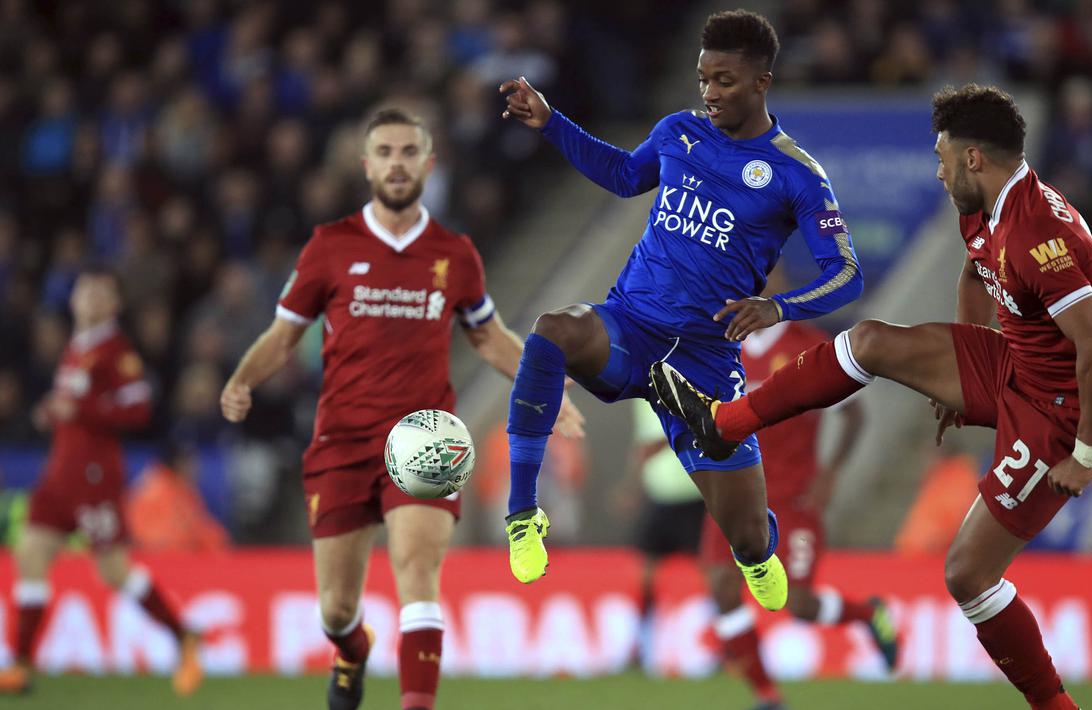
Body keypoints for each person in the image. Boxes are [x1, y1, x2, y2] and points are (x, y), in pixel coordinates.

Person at [653, 84, 1092, 710]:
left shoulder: (1038, 231)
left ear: (972, 159)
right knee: (872, 340)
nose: (935, 172)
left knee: (966, 574)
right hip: (1016, 366)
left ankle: (1056, 707)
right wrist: (966, 369)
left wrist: (1087, 452)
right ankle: (728, 422)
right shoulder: (982, 208)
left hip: (1065, 410)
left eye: (940, 157)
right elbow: (975, 271)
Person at [499, 9, 863, 613]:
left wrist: (778, 307)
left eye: (724, 80)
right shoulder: (678, 131)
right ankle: (522, 514)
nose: (710, 93)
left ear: (761, 82)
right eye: (703, 79)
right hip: (630, 326)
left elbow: (845, 273)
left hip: (703, 364)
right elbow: (622, 175)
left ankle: (757, 549)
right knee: (552, 331)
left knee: (745, 538)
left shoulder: (796, 173)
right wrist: (550, 122)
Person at [218, 108, 583, 710]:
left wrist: (549, 390)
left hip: (424, 437)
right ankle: (351, 649)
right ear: (366, 166)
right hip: (340, 440)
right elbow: (284, 333)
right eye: (384, 152)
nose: (397, 163)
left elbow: (489, 337)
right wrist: (241, 380)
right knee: (336, 608)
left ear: (428, 164)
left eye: (409, 152)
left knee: (417, 571)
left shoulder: (454, 253)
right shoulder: (329, 247)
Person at [0, 266, 202, 696]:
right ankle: (18, 665)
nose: (90, 299)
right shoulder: (77, 346)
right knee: (31, 554)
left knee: (113, 571)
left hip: (94, 477)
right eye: (84, 291)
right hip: (60, 475)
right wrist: (53, 412)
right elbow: (74, 405)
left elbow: (138, 410)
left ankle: (184, 637)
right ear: (73, 300)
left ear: (115, 304)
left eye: (100, 293)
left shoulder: (116, 351)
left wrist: (83, 411)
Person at [700, 270, 894, 710]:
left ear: (777, 283)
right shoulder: (719, 344)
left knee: (800, 604)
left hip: (793, 495)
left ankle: (869, 615)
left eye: (760, 275)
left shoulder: (807, 347)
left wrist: (831, 473)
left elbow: (854, 414)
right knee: (721, 588)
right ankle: (768, 696)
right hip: (733, 494)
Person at [616, 398, 707, 669]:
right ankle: (639, 647)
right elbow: (644, 441)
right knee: (644, 577)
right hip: (660, 495)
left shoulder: (675, 379)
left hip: (693, 494)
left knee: (714, 576)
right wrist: (634, 487)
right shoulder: (635, 392)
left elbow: (679, 429)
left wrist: (643, 462)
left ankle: (727, 645)